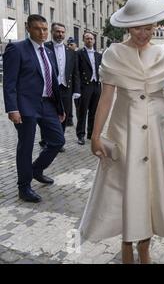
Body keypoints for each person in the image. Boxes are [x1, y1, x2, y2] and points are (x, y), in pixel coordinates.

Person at [79, 0, 164, 264]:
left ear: (156, 25)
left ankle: (145, 245)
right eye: (138, 27)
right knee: (128, 191)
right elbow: (105, 99)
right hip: (125, 132)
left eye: (148, 27)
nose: (144, 33)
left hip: (158, 135)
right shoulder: (114, 53)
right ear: (128, 27)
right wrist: (95, 135)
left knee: (152, 191)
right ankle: (128, 243)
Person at [2, 14, 65, 203]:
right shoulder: (17, 48)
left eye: (45, 29)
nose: (42, 32)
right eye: (37, 28)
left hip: (47, 105)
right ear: (28, 28)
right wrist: (12, 108)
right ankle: (24, 187)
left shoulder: (49, 51)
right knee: (26, 147)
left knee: (57, 140)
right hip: (25, 106)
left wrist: (60, 108)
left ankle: (36, 169)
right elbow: (9, 82)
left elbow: (53, 82)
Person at [40, 23, 81, 151]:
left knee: (64, 114)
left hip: (66, 88)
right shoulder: (44, 47)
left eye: (63, 32)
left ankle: (59, 140)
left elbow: (75, 72)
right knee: (47, 115)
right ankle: (46, 141)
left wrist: (76, 90)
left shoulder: (71, 51)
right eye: (57, 31)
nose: (60, 34)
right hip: (49, 88)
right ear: (52, 32)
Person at [76, 32, 102, 145]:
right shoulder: (79, 53)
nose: (89, 40)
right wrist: (77, 88)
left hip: (96, 85)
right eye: (87, 38)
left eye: (91, 38)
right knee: (82, 112)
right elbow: (76, 71)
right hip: (85, 86)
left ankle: (91, 133)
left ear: (94, 40)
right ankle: (81, 135)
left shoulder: (98, 55)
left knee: (94, 112)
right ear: (83, 40)